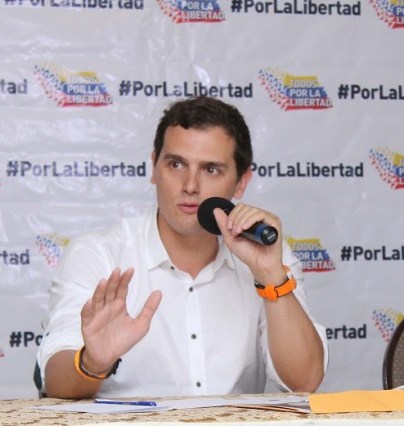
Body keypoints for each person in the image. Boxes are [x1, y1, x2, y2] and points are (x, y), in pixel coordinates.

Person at [36, 96, 328, 399]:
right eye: (176, 164)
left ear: (241, 182)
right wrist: (93, 362)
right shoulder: (98, 254)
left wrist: (271, 277)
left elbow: (304, 382)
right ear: (154, 167)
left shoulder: (268, 254)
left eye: (211, 169)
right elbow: (55, 382)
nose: (190, 185)